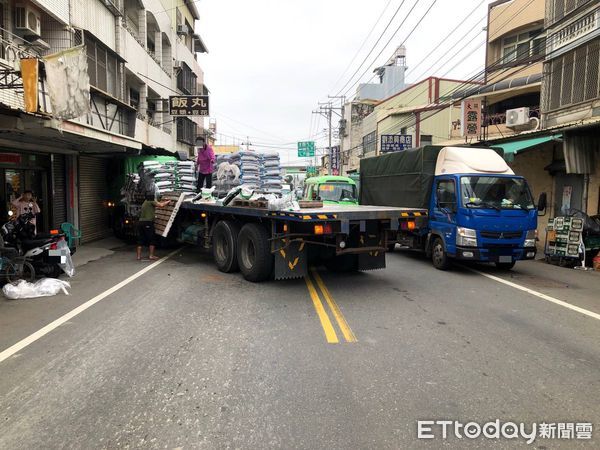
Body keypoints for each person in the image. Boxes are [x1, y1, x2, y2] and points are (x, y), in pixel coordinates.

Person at [136, 194, 170, 261]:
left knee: (140, 239)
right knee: (152, 239)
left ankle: (138, 256)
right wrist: (168, 201)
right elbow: (161, 205)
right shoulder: (151, 201)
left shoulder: (145, 202)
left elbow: (156, 204)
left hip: (140, 223)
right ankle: (151, 256)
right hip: (148, 223)